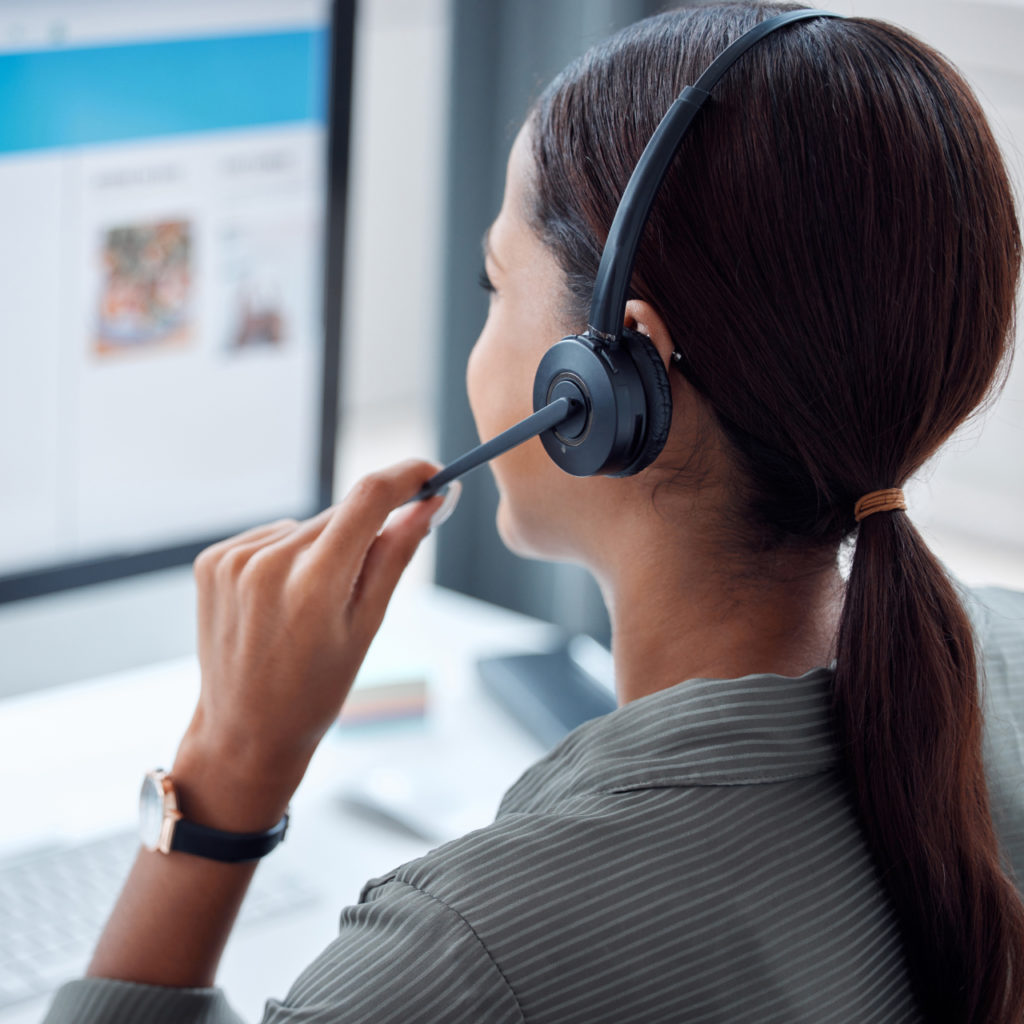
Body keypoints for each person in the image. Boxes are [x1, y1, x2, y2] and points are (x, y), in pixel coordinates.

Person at [44, 3, 1024, 1022]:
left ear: (618, 373)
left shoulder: (467, 959)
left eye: (493, 282)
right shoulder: (998, 656)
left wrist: (226, 774)